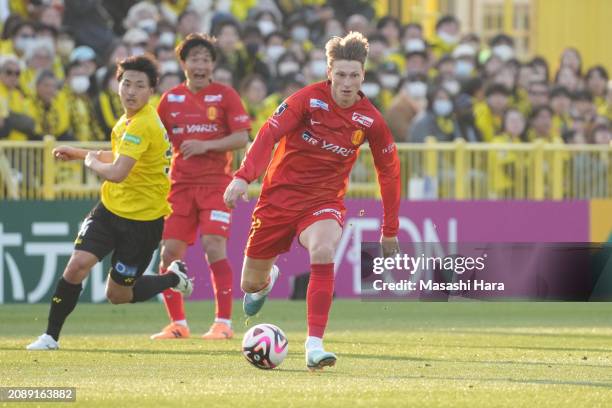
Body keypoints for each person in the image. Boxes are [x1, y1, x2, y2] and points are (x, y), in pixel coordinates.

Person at [223, 32, 400, 370]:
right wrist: (244, 176)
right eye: (341, 74)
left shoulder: (371, 120)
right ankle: (266, 282)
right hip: (277, 200)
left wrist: (389, 229)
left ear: (363, 75)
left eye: (354, 75)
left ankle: (314, 345)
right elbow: (269, 134)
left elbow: (389, 172)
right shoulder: (306, 100)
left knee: (323, 250)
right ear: (329, 71)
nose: (347, 83)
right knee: (249, 283)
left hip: (323, 201)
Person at [26, 54, 193, 351]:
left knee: (117, 294)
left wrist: (88, 160)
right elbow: (117, 156)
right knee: (77, 265)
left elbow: (116, 172)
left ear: (151, 90)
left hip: (143, 222)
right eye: (126, 83)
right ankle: (50, 336)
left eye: (139, 85)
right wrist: (79, 153)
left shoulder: (144, 124)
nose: (130, 91)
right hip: (110, 210)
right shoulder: (127, 121)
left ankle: (171, 279)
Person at [151, 33, 250, 340]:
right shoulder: (170, 101)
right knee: (168, 254)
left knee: (213, 247)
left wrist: (206, 146)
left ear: (213, 65)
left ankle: (224, 323)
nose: (201, 64)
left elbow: (241, 137)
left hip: (216, 185)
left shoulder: (225, 95)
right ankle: (177, 323)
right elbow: (155, 140)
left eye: (206, 59)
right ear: (183, 63)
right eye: (194, 58)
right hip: (179, 186)